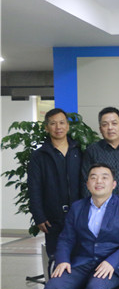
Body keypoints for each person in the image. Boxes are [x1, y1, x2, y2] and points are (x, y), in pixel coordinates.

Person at [27, 108, 81, 261]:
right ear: (46, 127)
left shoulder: (78, 151)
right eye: (53, 123)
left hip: (78, 216)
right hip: (52, 218)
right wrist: (39, 216)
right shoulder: (39, 155)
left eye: (62, 123)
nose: (58, 127)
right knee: (57, 260)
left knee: (80, 259)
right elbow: (34, 187)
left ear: (68, 126)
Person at [81, 107, 119, 202]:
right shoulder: (92, 151)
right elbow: (86, 182)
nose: (110, 128)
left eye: (114, 123)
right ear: (100, 129)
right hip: (102, 206)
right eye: (105, 124)